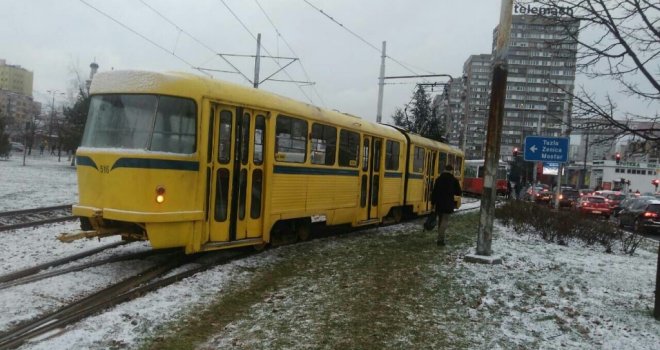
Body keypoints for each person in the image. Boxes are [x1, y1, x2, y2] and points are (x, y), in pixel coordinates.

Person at [431, 164, 462, 246]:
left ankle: (440, 237)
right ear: (451, 170)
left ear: (444, 169)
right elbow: (458, 192)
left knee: (440, 221)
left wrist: (433, 203)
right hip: (448, 204)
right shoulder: (454, 180)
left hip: (439, 203)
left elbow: (434, 192)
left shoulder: (439, 179)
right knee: (444, 221)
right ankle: (440, 240)